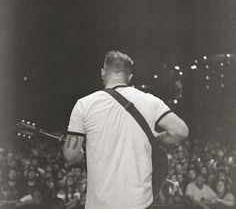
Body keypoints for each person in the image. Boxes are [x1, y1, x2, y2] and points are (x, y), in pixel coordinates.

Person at [63, 50, 189, 209]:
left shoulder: (84, 104)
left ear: (103, 73)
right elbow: (181, 131)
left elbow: (70, 154)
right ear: (129, 77)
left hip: (100, 203)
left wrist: (82, 153)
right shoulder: (150, 101)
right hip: (139, 202)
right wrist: (156, 138)